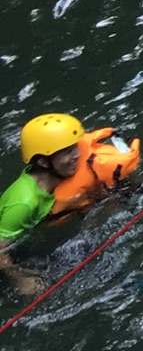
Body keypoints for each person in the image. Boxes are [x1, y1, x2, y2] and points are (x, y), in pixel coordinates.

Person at [0, 115, 85, 296]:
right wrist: (21, 280)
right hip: (11, 256)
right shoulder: (24, 204)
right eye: (67, 152)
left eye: (75, 148)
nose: (77, 155)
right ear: (43, 162)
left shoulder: (55, 179)